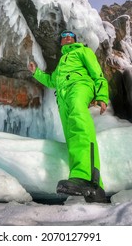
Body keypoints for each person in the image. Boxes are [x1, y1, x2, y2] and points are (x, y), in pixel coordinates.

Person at [28, 30, 109, 203]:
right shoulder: (60, 64)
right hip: (62, 98)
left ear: (74, 40)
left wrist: (102, 96)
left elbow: (97, 73)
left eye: (70, 35)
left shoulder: (82, 51)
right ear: (61, 42)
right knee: (72, 136)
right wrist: (36, 73)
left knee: (80, 125)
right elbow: (52, 81)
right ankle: (95, 189)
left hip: (79, 86)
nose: (67, 37)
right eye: (63, 36)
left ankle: (85, 177)